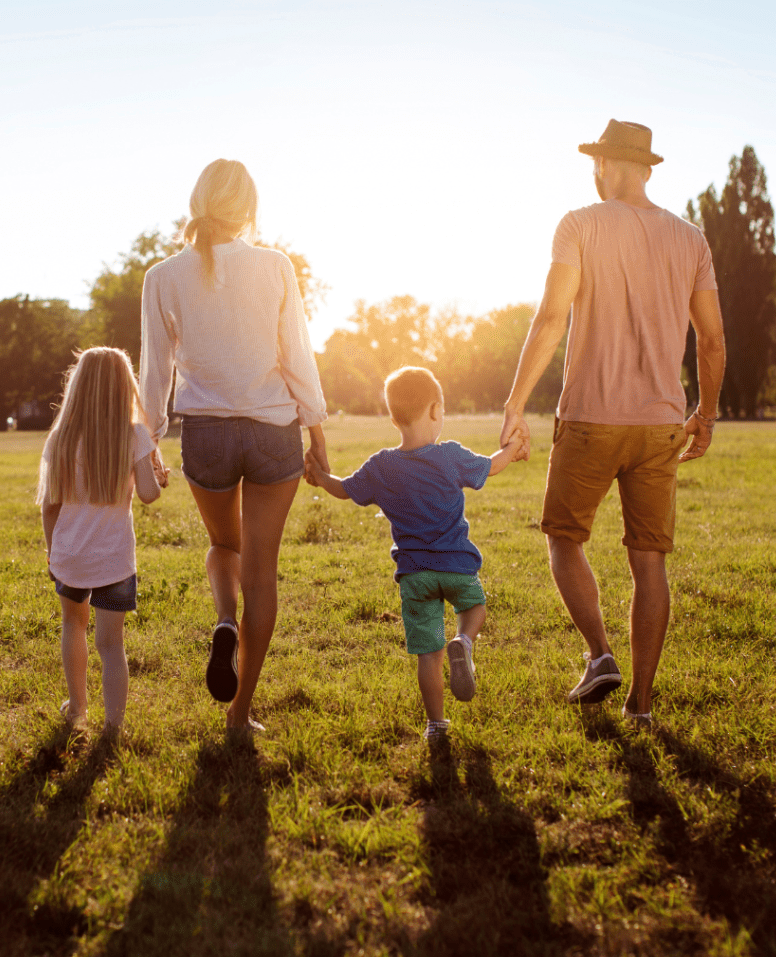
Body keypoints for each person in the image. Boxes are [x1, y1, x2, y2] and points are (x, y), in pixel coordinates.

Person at [500, 119, 726, 724]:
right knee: (648, 561)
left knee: (563, 539)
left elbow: (550, 319)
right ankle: (642, 706)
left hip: (591, 419)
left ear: (603, 165)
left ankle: (600, 655)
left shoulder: (579, 224)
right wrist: (704, 413)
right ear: (646, 168)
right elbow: (711, 339)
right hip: (661, 426)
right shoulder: (691, 239)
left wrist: (515, 403)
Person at [140, 158, 328, 734]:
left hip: (208, 434)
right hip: (274, 432)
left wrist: (148, 439)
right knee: (262, 573)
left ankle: (224, 622)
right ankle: (240, 713)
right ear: (247, 207)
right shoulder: (275, 266)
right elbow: (297, 354)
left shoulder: (162, 275)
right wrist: (317, 429)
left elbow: (156, 369)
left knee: (225, 545)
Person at [305, 366, 528, 740]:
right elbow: (491, 467)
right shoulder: (450, 456)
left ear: (393, 418)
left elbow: (344, 489)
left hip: (415, 575)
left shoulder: (381, 467)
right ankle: (466, 641)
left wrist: (317, 476)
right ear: (437, 410)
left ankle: (436, 724)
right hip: (457, 566)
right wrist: (514, 448)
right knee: (474, 608)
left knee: (429, 654)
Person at [37, 346, 164, 737]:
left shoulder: (60, 438)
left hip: (71, 556)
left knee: (72, 626)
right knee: (111, 644)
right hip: (115, 559)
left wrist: (51, 552)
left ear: (80, 385)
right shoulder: (135, 435)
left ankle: (77, 709)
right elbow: (148, 494)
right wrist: (159, 476)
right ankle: (113, 726)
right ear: (125, 387)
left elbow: (49, 506)